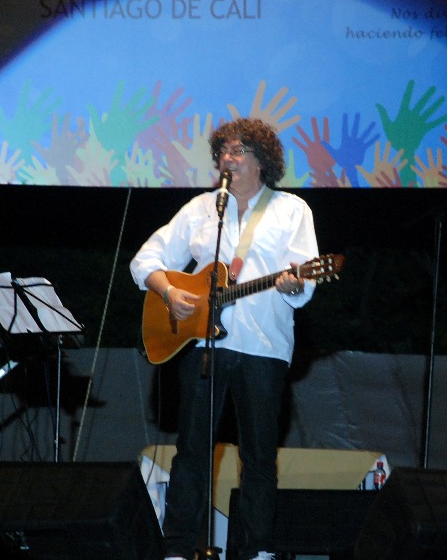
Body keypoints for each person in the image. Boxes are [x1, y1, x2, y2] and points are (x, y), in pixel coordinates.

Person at [130, 117, 319, 560]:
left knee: (259, 456)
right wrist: (170, 291)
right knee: (192, 452)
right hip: (203, 346)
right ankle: (178, 548)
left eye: (238, 151)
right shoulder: (201, 209)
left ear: (261, 160)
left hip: (264, 348)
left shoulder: (292, 210)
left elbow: (305, 280)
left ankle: (257, 550)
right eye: (223, 152)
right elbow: (145, 260)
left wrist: (295, 284)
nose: (227, 159)